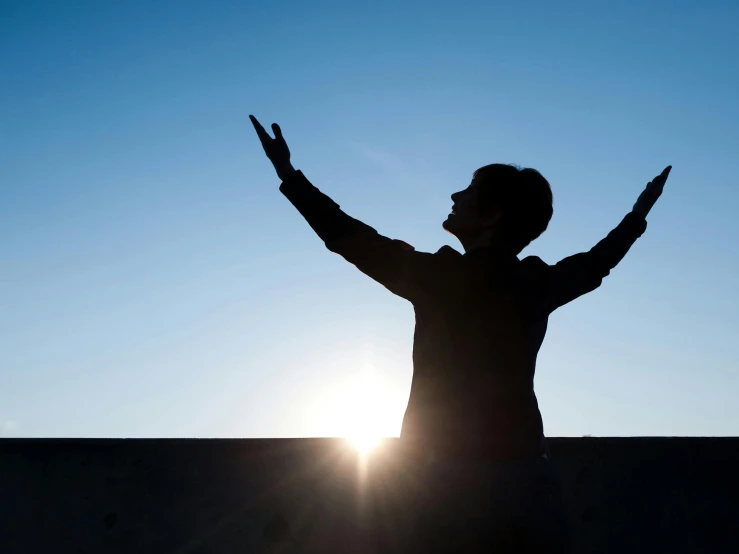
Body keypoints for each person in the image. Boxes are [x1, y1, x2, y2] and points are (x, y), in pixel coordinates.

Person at [249, 115, 671, 552]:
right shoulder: (534, 283)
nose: (454, 196)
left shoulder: (438, 276)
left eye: (468, 192)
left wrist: (289, 174)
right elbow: (597, 262)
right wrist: (638, 214)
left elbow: (349, 236)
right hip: (524, 477)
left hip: (442, 482)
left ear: (492, 216)